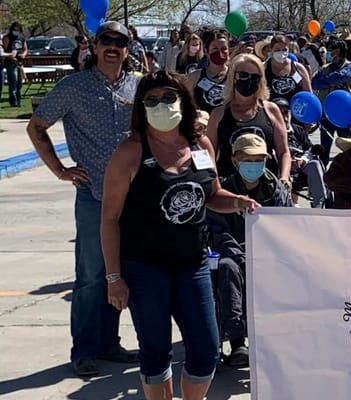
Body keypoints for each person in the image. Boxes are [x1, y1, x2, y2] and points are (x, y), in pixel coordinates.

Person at [100, 70, 259, 399]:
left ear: (183, 102)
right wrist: (114, 277)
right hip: (145, 267)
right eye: (152, 100)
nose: (161, 105)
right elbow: (110, 219)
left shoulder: (201, 145)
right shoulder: (129, 152)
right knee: (156, 352)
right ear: (142, 107)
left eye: (169, 97)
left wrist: (240, 202)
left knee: (207, 350)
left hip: (194, 263)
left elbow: (212, 195)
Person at [26, 21, 140, 377]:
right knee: (91, 276)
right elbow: (36, 127)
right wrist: (60, 170)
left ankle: (110, 342)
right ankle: (85, 350)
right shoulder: (72, 87)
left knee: (120, 273)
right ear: (94, 44)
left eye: (120, 42)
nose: (112, 47)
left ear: (127, 48)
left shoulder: (138, 86)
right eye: (106, 40)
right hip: (94, 196)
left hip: (134, 198)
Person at [207, 134, 291, 367]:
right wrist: (244, 256)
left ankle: (277, 338)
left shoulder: (277, 191)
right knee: (227, 268)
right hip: (234, 252)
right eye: (248, 159)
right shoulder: (223, 193)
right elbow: (219, 233)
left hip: (271, 252)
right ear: (235, 160)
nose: (254, 164)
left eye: (259, 159)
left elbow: (288, 227)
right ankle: (237, 341)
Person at [206, 54, 292, 184]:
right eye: (244, 75)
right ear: (234, 77)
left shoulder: (271, 110)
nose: (249, 80)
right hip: (229, 186)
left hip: (266, 185)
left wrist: (284, 177)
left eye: (255, 77)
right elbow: (208, 154)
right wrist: (214, 183)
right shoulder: (218, 114)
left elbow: (284, 152)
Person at [273, 97, 328, 208]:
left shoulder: (298, 130)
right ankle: (285, 203)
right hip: (280, 167)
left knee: (315, 164)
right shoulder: (270, 131)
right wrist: (287, 162)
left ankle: (320, 204)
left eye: (285, 112)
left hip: (301, 166)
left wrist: (302, 160)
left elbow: (310, 149)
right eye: (279, 113)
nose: (283, 117)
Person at [313, 38, 351, 164]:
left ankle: (349, 173)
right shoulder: (325, 67)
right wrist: (330, 81)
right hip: (325, 113)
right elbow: (315, 83)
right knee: (324, 147)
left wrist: (326, 81)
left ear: (337, 51)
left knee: (347, 146)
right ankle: (322, 172)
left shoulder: (350, 66)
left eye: (330, 49)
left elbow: (339, 77)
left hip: (343, 113)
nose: (328, 52)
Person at [185, 29, 228, 113]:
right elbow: (186, 104)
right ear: (206, 51)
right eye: (215, 49)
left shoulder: (235, 75)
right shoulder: (194, 77)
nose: (220, 53)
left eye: (224, 49)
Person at [263, 35, 312, 102]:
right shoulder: (263, 69)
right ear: (271, 49)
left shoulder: (299, 68)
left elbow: (309, 94)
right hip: (271, 110)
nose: (281, 52)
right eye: (277, 50)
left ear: (288, 49)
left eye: (284, 50)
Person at [3, 22, 27, 107]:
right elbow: (4, 51)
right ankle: (13, 102)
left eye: (18, 29)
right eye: (14, 29)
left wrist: (23, 55)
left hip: (19, 63)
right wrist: (12, 57)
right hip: (11, 63)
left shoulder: (21, 37)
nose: (16, 31)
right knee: (13, 82)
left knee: (19, 83)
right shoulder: (7, 37)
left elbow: (25, 49)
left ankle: (18, 100)